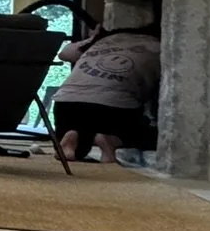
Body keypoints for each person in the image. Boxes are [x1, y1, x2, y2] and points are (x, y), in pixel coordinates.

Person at [53, 24, 161, 165]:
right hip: (113, 108)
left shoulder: (104, 40)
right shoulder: (161, 48)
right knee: (156, 138)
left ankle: (72, 139)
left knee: (82, 138)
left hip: (66, 104)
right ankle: (113, 140)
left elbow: (64, 54)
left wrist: (92, 38)